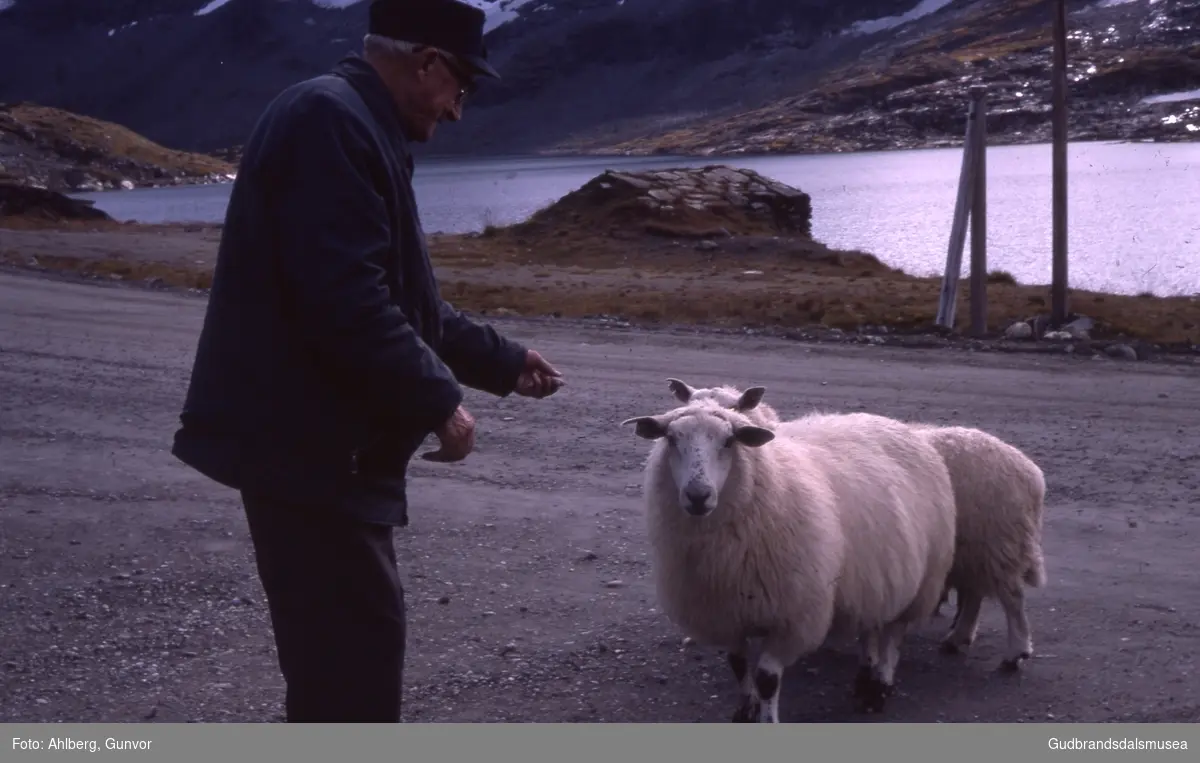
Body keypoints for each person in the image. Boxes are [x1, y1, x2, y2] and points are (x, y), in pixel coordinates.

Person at [170, 0, 563, 723]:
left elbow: (401, 298)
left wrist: (504, 362)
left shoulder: (353, 122)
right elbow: (344, 301)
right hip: (309, 456)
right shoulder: (331, 122)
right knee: (350, 673)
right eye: (461, 89)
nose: (459, 112)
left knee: (348, 658)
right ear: (425, 63)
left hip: (322, 455)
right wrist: (440, 401)